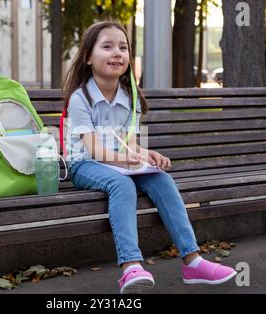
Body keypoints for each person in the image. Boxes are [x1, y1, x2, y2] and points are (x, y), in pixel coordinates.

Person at [62, 20, 237, 294]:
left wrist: (147, 155)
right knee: (122, 184)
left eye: (123, 47)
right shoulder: (80, 98)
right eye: (107, 46)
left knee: (161, 178)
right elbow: (93, 150)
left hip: (117, 163)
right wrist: (126, 160)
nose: (117, 53)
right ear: (87, 57)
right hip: (84, 164)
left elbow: (129, 145)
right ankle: (131, 266)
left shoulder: (129, 97)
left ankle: (192, 260)